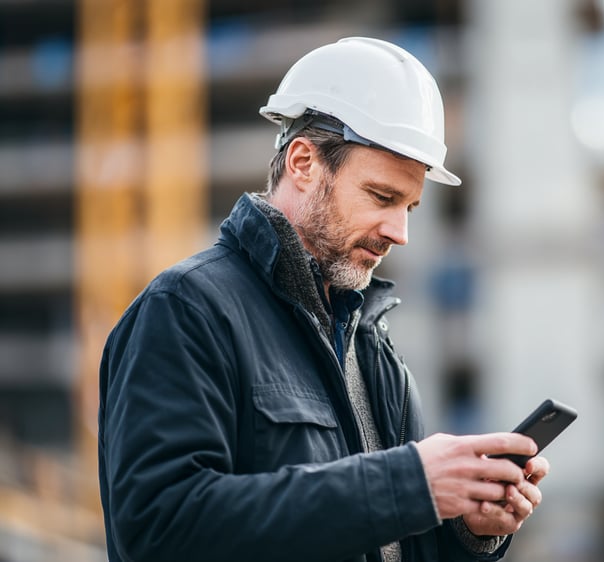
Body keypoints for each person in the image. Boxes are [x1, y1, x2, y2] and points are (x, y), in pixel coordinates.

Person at [98, 37, 549, 562]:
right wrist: (406, 483)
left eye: (410, 207)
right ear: (304, 162)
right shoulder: (186, 311)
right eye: (382, 197)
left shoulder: (374, 350)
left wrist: (468, 531)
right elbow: (160, 529)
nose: (400, 231)